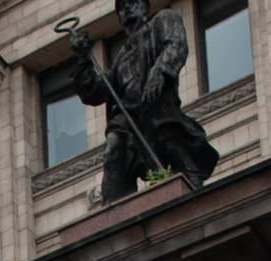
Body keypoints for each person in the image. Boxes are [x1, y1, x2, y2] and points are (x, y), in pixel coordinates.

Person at [73, 0, 220, 203]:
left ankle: (191, 184)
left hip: (156, 107)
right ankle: (115, 212)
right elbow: (95, 91)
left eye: (132, 2)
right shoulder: (121, 59)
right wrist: (83, 60)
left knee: (168, 141)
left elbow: (175, 44)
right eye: (121, 8)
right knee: (113, 149)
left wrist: (160, 71)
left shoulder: (163, 20)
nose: (126, 10)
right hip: (128, 119)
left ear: (144, 6)